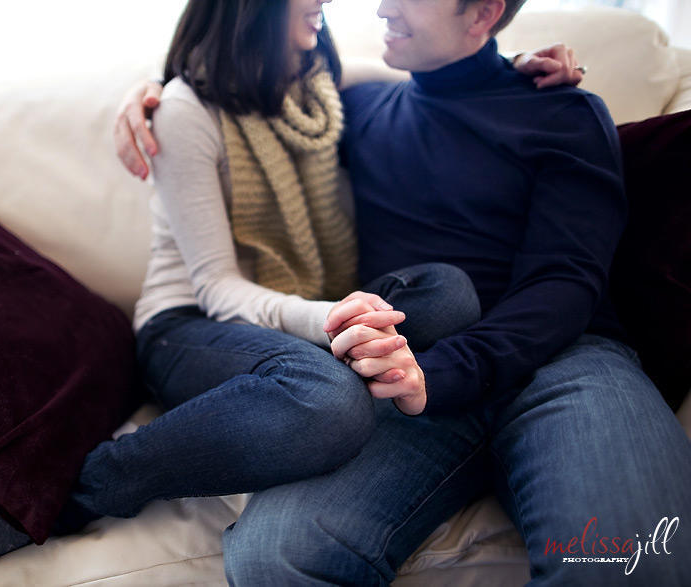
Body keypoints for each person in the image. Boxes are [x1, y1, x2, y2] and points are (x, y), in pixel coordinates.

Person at [0, 0, 520, 582]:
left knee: (448, 293)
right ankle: (70, 493)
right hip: (189, 325)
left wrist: (516, 68)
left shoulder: (317, 83)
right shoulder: (185, 112)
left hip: (302, 314)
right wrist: (332, 318)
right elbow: (219, 290)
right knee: (329, 401)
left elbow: (429, 78)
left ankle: (293, 397)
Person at [115, 0, 691, 585]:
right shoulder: (358, 108)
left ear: (484, 12)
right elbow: (244, 89)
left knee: (629, 560)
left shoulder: (564, 112)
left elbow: (565, 282)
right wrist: (155, 93)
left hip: (562, 360)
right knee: (277, 557)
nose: (382, 5)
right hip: (408, 369)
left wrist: (439, 374)